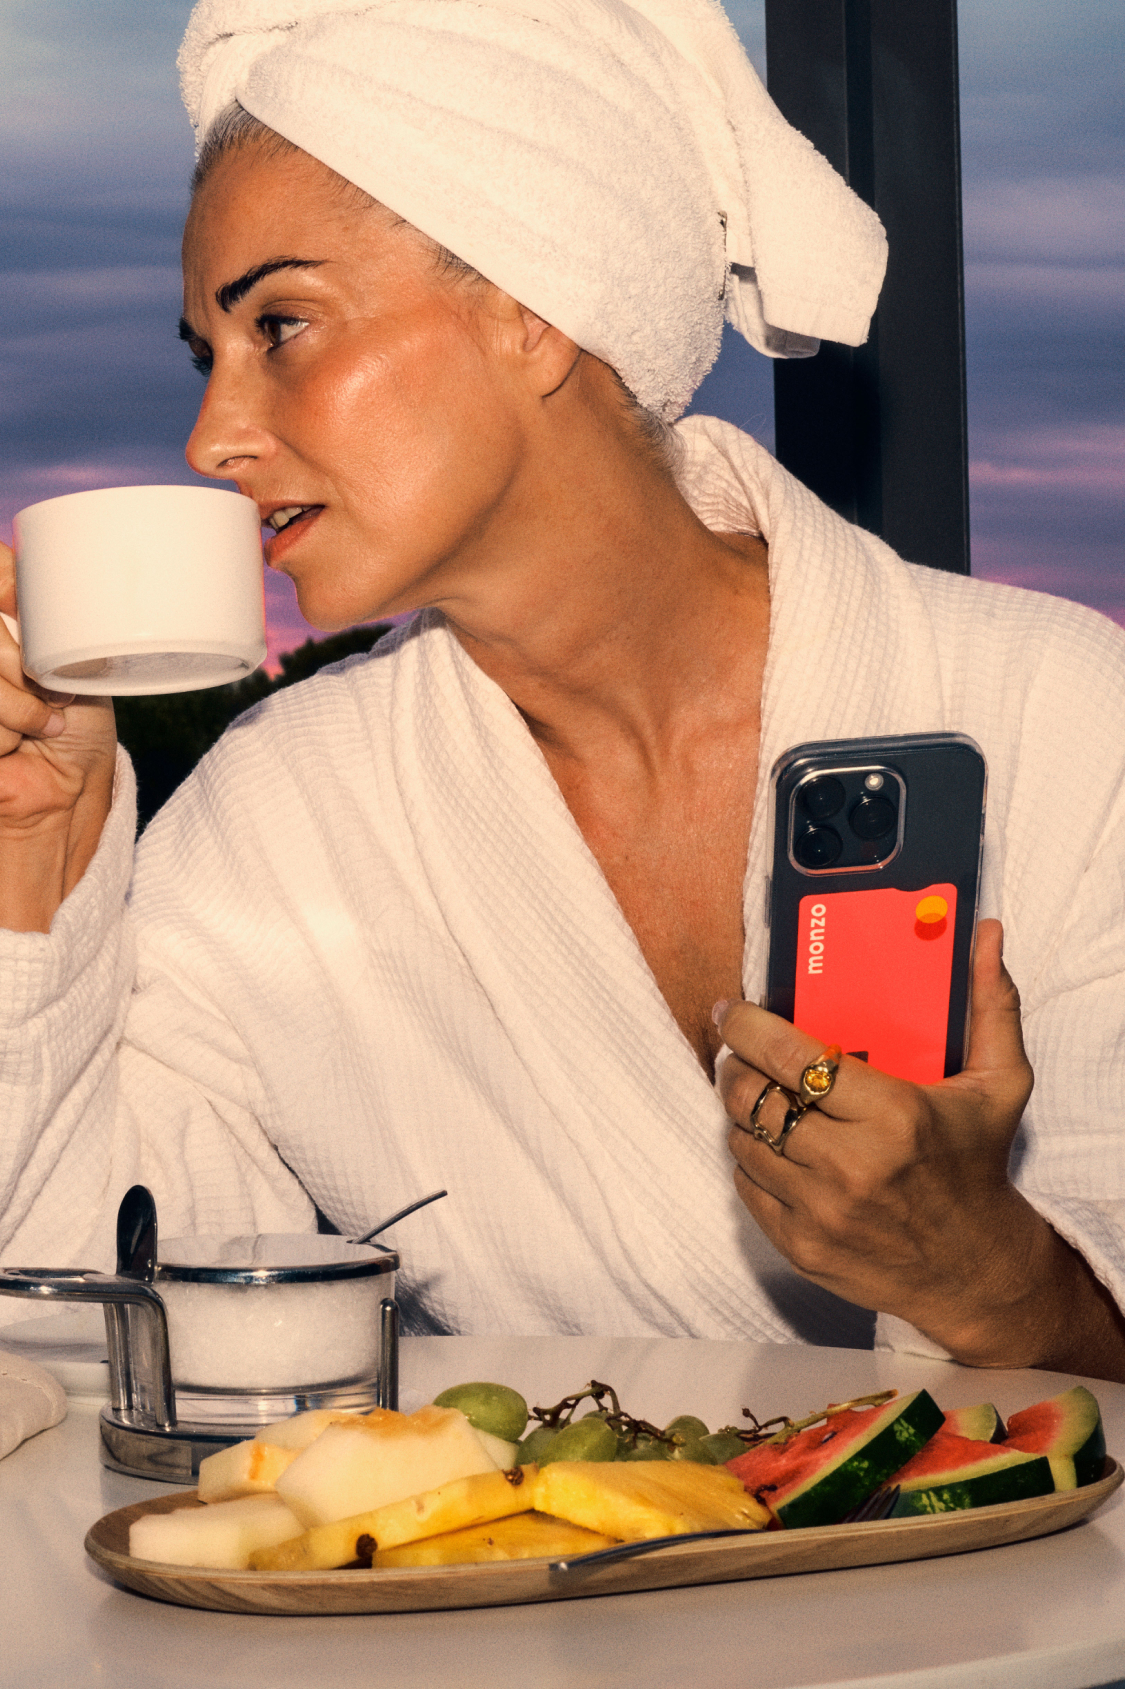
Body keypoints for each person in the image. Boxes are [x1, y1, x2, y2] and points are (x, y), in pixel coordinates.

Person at [2, 0, 1124, 1377]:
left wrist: (995, 1280)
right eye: (208, 355)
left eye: (280, 325)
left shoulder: (1060, 717)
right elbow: (81, 1324)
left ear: (535, 306)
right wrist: (31, 860)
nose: (211, 436)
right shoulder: (281, 817)